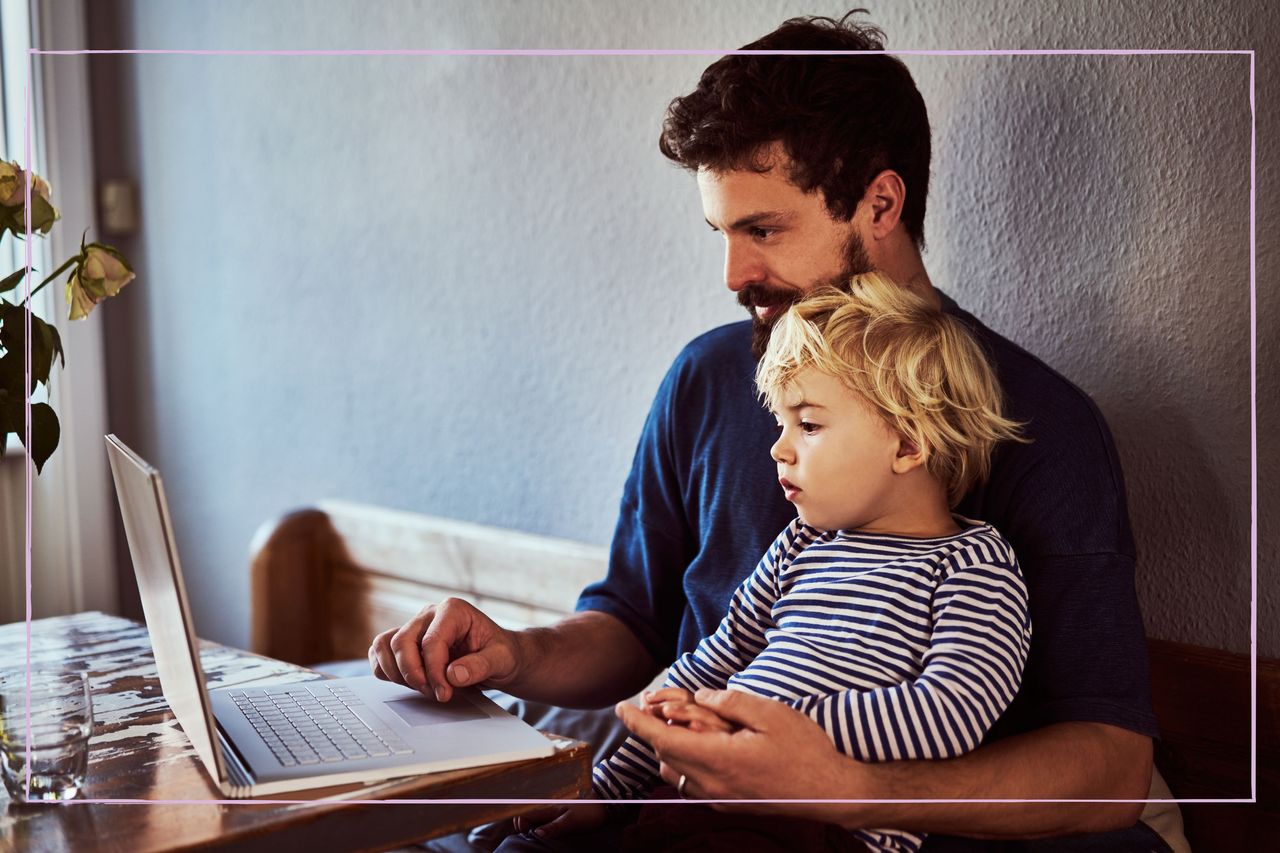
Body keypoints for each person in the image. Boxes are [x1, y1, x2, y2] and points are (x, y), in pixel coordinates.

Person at [370, 11, 1171, 850]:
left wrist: (852, 787)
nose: (732, 275)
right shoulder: (709, 376)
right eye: (722, 233)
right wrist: (514, 654)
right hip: (675, 798)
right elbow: (636, 627)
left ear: (880, 203)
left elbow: (1112, 766)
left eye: (763, 229)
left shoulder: (1034, 424)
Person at [508, 276, 1032, 853]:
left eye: (807, 425)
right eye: (781, 423)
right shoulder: (801, 543)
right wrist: (607, 791)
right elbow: (717, 659)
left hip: (818, 826)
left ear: (907, 445)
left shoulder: (974, 568)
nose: (779, 448)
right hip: (695, 793)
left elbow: (950, 712)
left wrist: (766, 728)